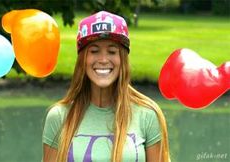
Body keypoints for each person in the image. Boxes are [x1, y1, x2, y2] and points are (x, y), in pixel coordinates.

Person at [42, 11, 170, 162]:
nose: (103, 59)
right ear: (83, 60)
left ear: (122, 59)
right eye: (94, 51)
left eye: (112, 51)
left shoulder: (148, 115)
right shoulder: (59, 117)